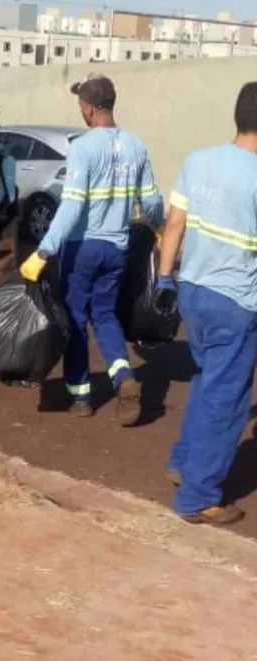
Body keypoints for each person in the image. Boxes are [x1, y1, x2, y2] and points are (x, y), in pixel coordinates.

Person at [20, 74, 164, 424]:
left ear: (89, 108)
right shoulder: (135, 145)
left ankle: (81, 397)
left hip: (82, 248)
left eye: (81, 104)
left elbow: (72, 205)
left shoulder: (83, 148)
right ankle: (123, 376)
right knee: (105, 315)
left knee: (75, 318)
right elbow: (151, 200)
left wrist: (44, 250)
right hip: (117, 248)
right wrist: (159, 229)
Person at [156, 82, 257, 526]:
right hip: (236, 302)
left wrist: (164, 277)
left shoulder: (199, 161)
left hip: (192, 292)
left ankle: (182, 463)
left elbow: (174, 222)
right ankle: (198, 496)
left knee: (205, 382)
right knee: (227, 399)